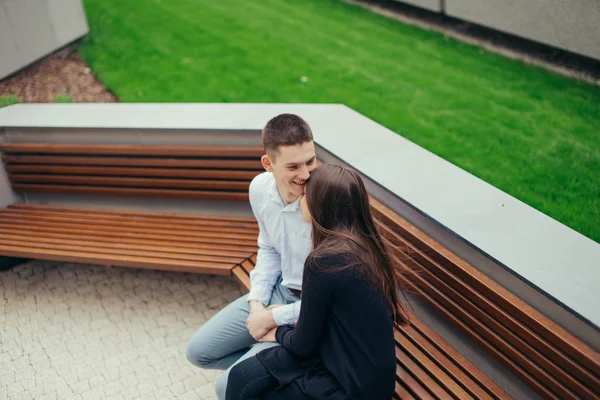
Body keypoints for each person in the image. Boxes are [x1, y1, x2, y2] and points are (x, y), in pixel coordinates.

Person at [225, 164, 410, 400]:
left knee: (246, 382)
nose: (300, 201)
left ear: (320, 206)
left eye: (304, 196)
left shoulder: (326, 261)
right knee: (243, 375)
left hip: (349, 385)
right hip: (360, 366)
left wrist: (276, 332)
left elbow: (303, 344)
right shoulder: (365, 245)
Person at [186, 113, 318, 399]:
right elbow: (269, 248)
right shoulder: (259, 188)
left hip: (310, 311)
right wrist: (257, 304)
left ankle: (268, 370)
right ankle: (268, 369)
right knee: (199, 353)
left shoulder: (324, 201)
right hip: (278, 294)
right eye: (293, 166)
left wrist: (274, 320)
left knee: (227, 388)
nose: (306, 174)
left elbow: (334, 298)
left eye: (311, 161)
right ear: (268, 164)